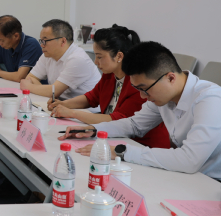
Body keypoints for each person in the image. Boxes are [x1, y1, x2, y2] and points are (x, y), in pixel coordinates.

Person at [59, 42, 221, 180]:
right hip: (186, 176)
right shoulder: (163, 94)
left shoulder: (210, 99)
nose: (143, 96)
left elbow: (189, 160)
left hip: (211, 182)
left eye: (144, 89)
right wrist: (94, 130)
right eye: (138, 89)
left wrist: (122, 151)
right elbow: (134, 124)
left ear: (170, 78)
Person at [49, 26, 169, 149]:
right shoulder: (109, 75)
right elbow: (92, 97)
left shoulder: (137, 83)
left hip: (142, 145)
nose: (96, 62)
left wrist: (72, 113)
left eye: (99, 57)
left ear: (119, 56)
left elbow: (116, 121)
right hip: (115, 136)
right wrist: (64, 104)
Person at [20, 19, 100, 101]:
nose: (41, 45)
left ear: (63, 41)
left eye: (45, 41)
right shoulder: (47, 55)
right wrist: (48, 92)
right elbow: (31, 77)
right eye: (41, 41)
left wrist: (28, 87)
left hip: (83, 107)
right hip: (61, 104)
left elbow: (53, 92)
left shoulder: (77, 59)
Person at [0, 15, 42, 82]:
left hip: (36, 87)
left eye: (2, 40)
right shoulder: (5, 46)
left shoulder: (31, 44)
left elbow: (19, 77)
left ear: (16, 36)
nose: (0, 43)